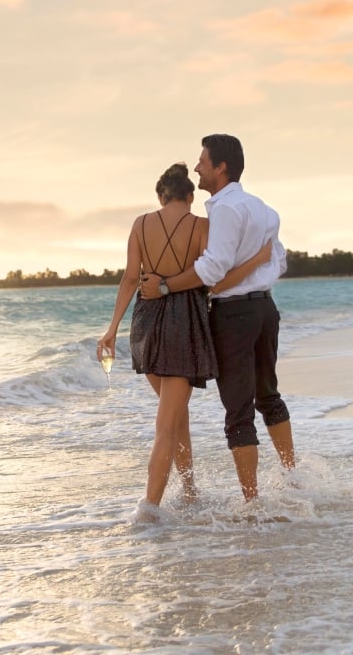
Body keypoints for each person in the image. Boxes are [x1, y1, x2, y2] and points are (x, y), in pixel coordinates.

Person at [97, 163, 270, 520]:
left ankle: (189, 491)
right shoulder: (200, 225)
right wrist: (256, 261)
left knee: (175, 415)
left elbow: (130, 278)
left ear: (160, 196)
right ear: (190, 196)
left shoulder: (140, 224)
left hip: (144, 324)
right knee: (167, 423)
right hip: (182, 324)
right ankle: (149, 509)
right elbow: (212, 278)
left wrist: (112, 329)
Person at [140, 135, 295, 502]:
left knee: (238, 409)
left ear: (220, 167)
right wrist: (254, 267)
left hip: (235, 315)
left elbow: (211, 268)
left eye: (203, 162)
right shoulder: (263, 208)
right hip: (265, 309)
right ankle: (294, 477)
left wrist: (164, 287)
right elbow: (280, 261)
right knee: (268, 396)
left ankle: (251, 503)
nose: (197, 168)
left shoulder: (223, 209)